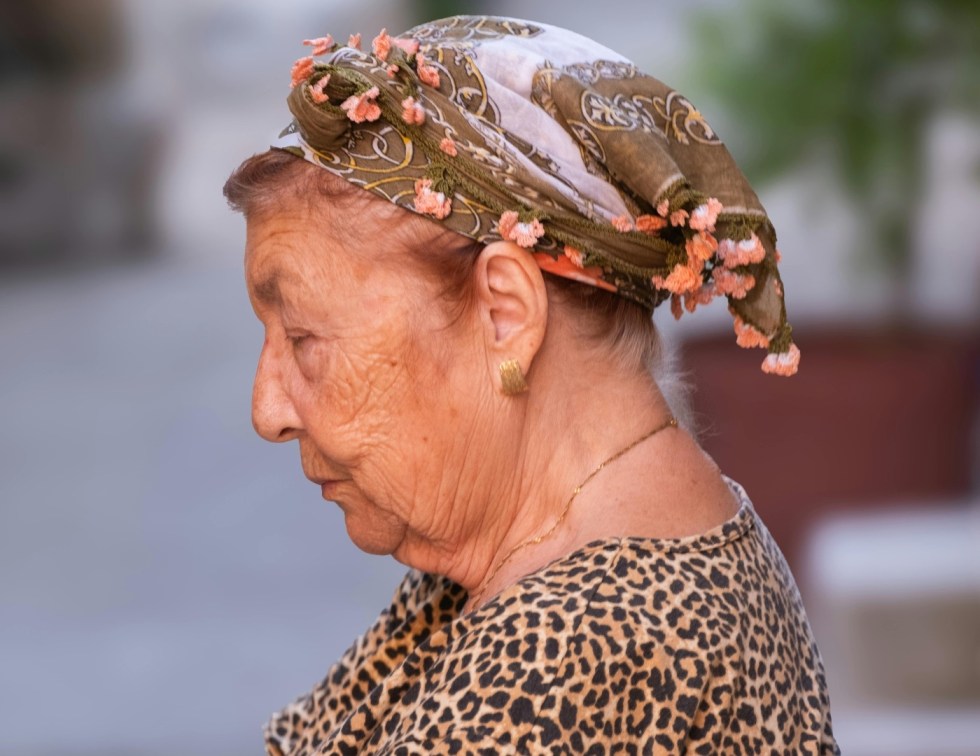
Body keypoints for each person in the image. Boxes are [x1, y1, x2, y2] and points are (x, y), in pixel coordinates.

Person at [224, 15, 837, 755]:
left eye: (303, 338)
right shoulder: (606, 550)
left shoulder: (563, 657)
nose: (268, 410)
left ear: (505, 313)